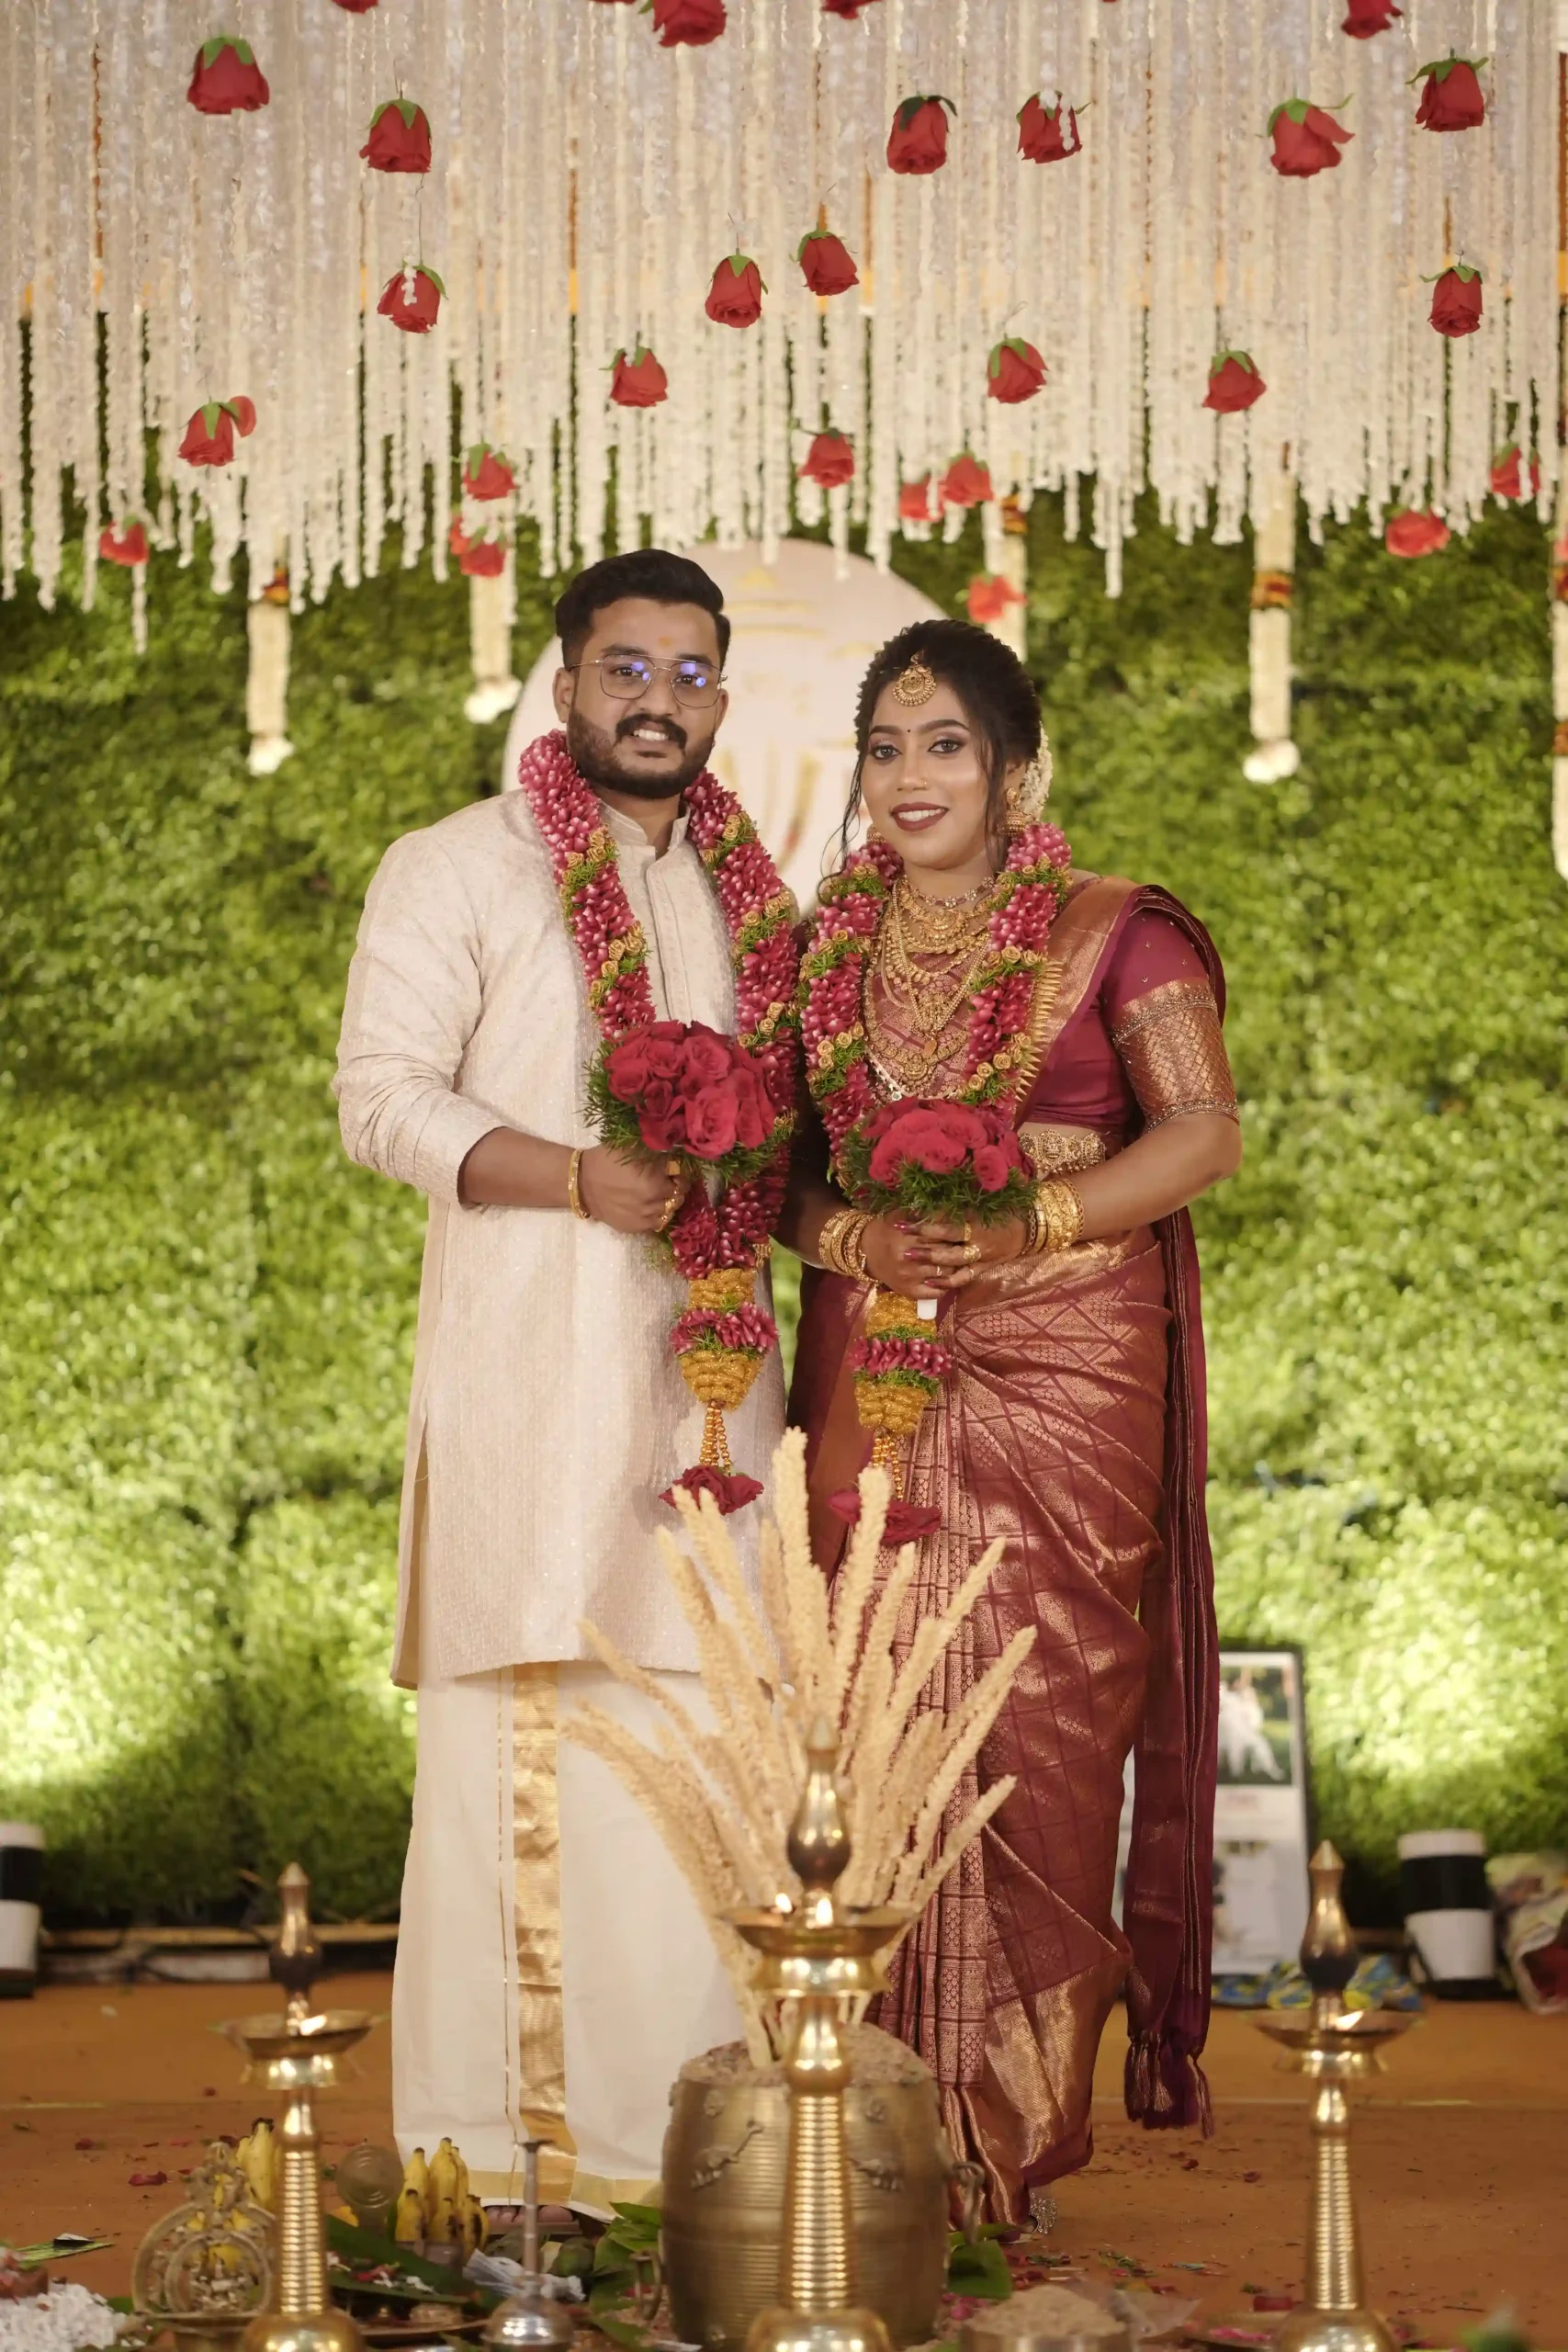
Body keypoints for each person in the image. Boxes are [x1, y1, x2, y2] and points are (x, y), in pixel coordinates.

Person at [334, 548, 792, 2206]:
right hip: (535, 1398)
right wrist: (570, 1174)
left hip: (717, 1407)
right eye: (625, 668)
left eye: (686, 674)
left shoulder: (760, 901)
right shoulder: (455, 866)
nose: (655, 699)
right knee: (530, 1768)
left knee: (698, 1766)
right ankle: (509, 2175)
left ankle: (694, 2166)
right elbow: (379, 1100)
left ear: (720, 702)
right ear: (564, 681)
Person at [782, 619, 1242, 2224]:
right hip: (879, 1355)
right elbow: (779, 1178)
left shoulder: (1117, 934)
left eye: (946, 747)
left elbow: (1199, 1134)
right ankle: (882, 2123)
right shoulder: (820, 956)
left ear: (1017, 770)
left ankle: (1010, 2133)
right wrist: (848, 1241)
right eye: (887, 749)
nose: (910, 779)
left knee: (1043, 1720)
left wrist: (1027, 1233)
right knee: (866, 1703)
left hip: (1066, 1357)